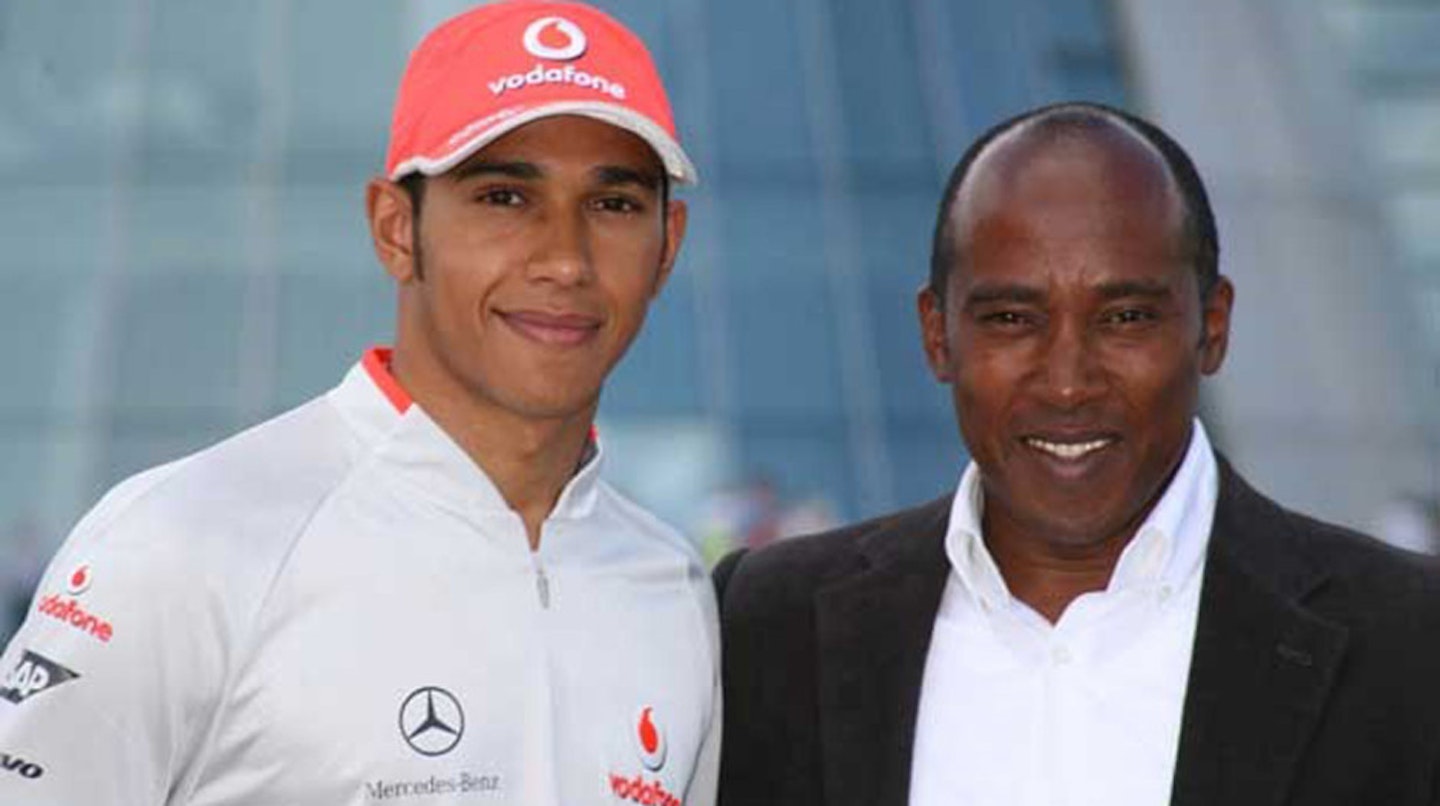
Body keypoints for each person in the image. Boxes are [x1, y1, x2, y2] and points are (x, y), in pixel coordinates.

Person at [0, 2, 719, 804]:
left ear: (669, 246)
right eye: (505, 199)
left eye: (613, 204)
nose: (564, 260)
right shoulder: (180, 544)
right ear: (395, 228)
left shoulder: (673, 589)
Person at [714, 102, 1440, 805]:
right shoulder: (766, 627)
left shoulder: (1411, 644)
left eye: (1125, 318)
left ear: (1212, 327)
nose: (1067, 383)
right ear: (937, 336)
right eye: (1010, 319)